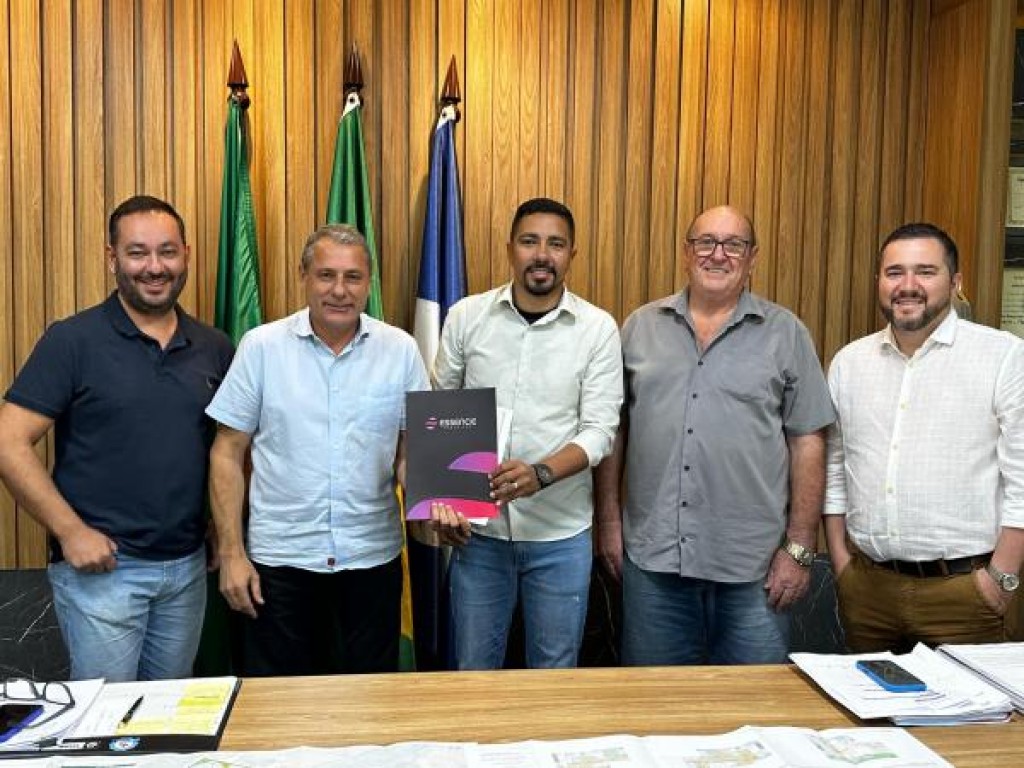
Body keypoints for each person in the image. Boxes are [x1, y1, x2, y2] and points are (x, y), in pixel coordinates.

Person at [0, 195, 233, 681]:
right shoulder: (72, 340)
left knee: (169, 718)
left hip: (187, 571)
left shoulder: (213, 347)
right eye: (137, 252)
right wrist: (70, 532)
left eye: (167, 251)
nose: (155, 267)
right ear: (112, 258)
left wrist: (221, 525)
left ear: (186, 255)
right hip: (103, 573)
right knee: (105, 719)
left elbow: (226, 450)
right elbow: (8, 442)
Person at [594, 204, 835, 665]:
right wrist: (608, 523)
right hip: (654, 563)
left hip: (755, 569)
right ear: (686, 252)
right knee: (656, 701)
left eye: (733, 244)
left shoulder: (786, 333)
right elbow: (614, 432)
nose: (718, 254)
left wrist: (800, 548)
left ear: (752, 257)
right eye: (706, 242)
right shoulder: (640, 328)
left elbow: (808, 440)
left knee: (754, 703)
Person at [207, 223, 429, 676]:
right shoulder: (261, 348)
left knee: (371, 703)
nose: (339, 290)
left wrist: (440, 499)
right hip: (279, 566)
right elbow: (226, 452)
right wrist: (231, 553)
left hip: (371, 562)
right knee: (279, 704)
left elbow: (411, 453)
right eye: (326, 275)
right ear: (303, 276)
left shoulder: (401, 350)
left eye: (353, 277)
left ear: (369, 282)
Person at [430, 197, 622, 670]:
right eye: (529, 241)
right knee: (474, 671)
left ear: (572, 253)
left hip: (560, 536)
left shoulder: (597, 329)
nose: (542, 255)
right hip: (479, 536)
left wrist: (541, 474)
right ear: (510, 249)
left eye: (555, 244)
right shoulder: (467, 316)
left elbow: (600, 432)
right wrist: (446, 503)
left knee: (555, 673)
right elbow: (442, 408)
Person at [824, 222, 1024, 652]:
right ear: (879, 281)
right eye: (894, 272)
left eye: (926, 272)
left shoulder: (1004, 357)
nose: (908, 285)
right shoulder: (848, 363)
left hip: (966, 594)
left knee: (971, 701)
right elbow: (835, 470)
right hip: (868, 592)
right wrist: (842, 564)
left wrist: (1001, 579)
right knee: (867, 699)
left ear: (955, 282)